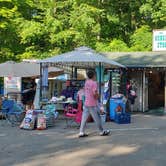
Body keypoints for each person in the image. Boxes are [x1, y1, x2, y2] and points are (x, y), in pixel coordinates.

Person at [78, 70, 110, 137]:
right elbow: (95, 93)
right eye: (95, 75)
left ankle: (81, 132)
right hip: (92, 103)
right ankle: (101, 131)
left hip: (86, 102)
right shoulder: (94, 83)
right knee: (97, 118)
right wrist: (98, 97)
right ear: (93, 76)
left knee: (84, 118)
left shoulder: (86, 82)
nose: (95, 76)